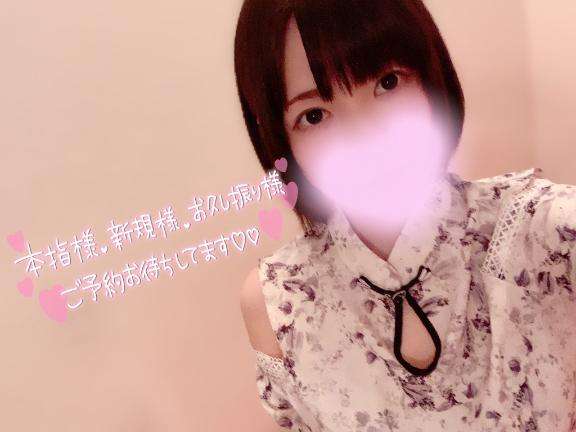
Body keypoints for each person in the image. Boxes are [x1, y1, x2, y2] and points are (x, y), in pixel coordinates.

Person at [234, 1, 576, 430]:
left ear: (430, 78)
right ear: (282, 142)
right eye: (315, 115)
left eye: (387, 82)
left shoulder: (541, 231)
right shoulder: (279, 302)